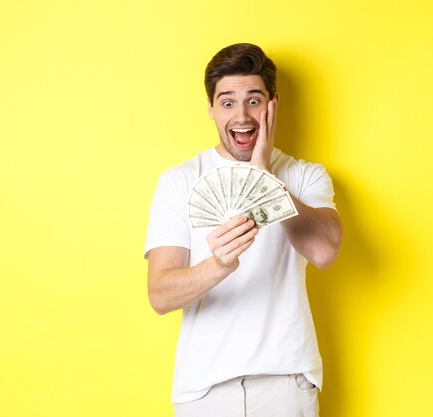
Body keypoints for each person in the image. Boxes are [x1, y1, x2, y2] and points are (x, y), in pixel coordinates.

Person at [144, 43, 342, 417]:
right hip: (204, 387)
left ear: (273, 104)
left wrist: (265, 177)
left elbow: (325, 251)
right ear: (211, 109)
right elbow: (160, 294)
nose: (242, 115)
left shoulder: (304, 176)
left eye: (254, 100)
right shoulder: (179, 182)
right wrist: (218, 265)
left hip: (285, 380)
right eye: (228, 102)